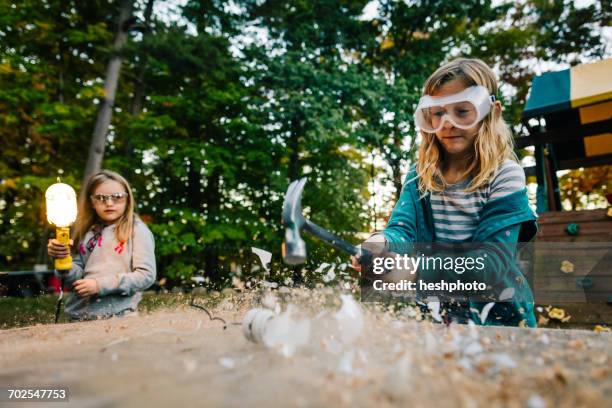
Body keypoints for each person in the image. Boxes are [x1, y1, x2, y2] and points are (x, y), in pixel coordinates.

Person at [354, 58, 538, 327]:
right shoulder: (420, 175)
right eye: (438, 113)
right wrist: (380, 243)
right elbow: (403, 230)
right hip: (440, 317)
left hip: (502, 321)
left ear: (492, 112)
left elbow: (489, 264)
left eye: (462, 111)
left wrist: (416, 272)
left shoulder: (505, 175)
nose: (447, 123)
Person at [47, 170, 156, 321]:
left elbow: (146, 276)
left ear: (127, 199)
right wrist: (63, 260)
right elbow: (74, 279)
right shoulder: (86, 232)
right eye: (100, 198)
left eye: (117, 197)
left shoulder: (137, 231)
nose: (109, 203)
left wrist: (99, 285)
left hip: (119, 317)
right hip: (78, 318)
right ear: (91, 201)